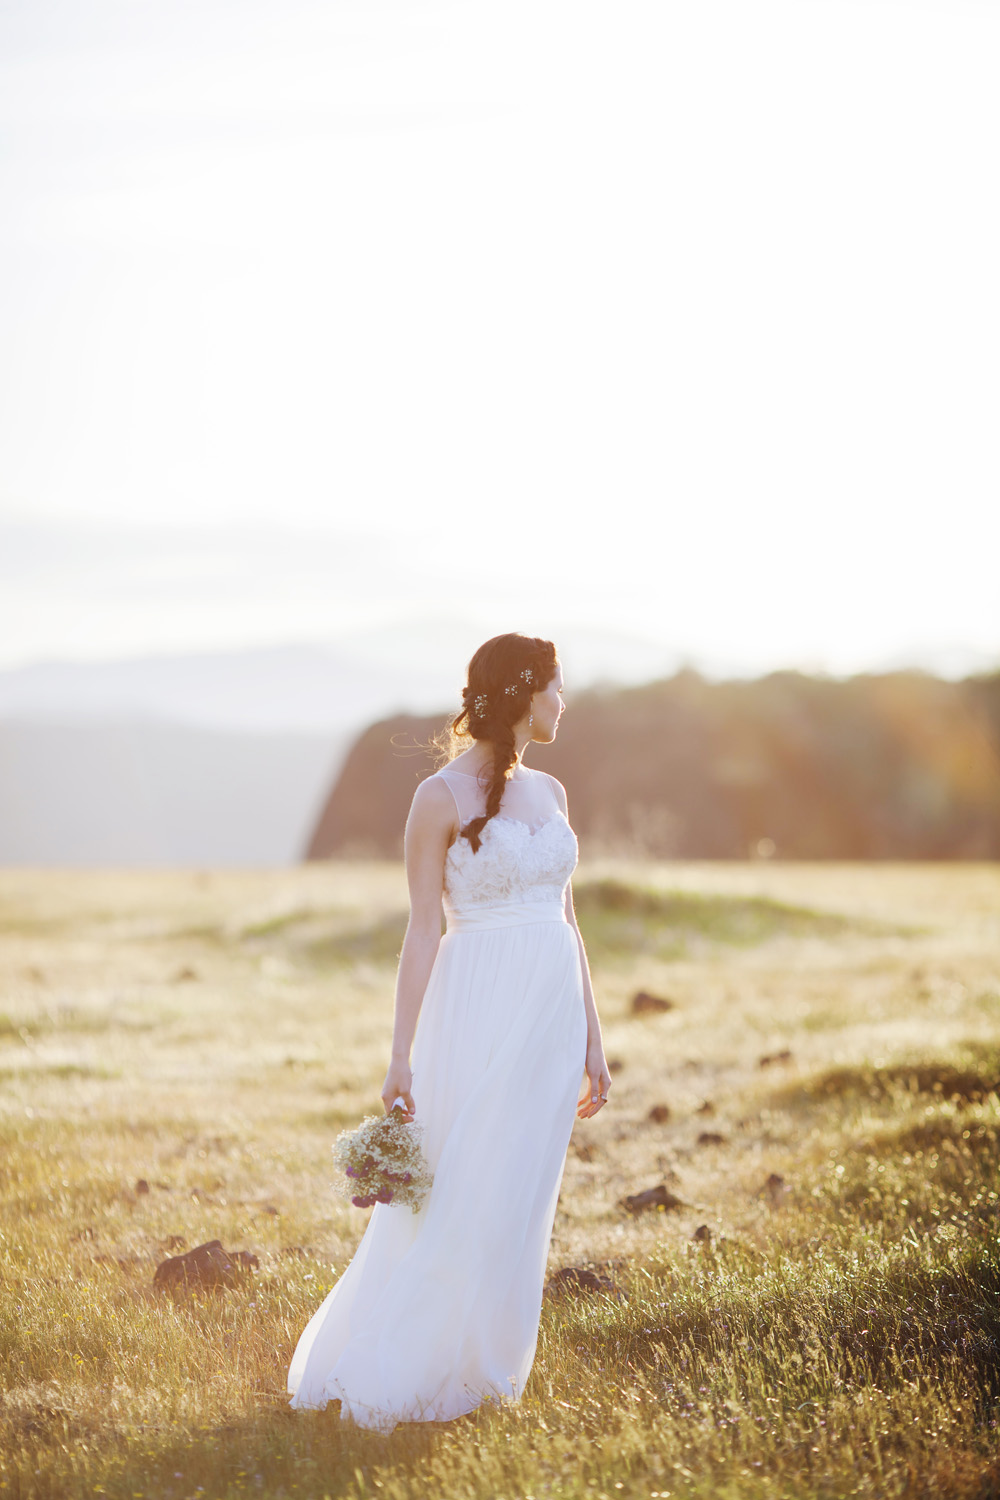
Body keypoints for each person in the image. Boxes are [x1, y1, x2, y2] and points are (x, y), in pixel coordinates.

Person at [287, 632, 611, 1431]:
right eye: (556, 688)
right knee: (463, 1183)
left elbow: (568, 923)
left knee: (521, 1192)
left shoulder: (555, 794)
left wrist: (595, 1038)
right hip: (475, 1005)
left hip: (551, 1012)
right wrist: (399, 1054)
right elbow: (423, 931)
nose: (564, 703)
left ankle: (481, 1360)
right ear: (526, 692)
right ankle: (402, 1360)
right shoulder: (438, 798)